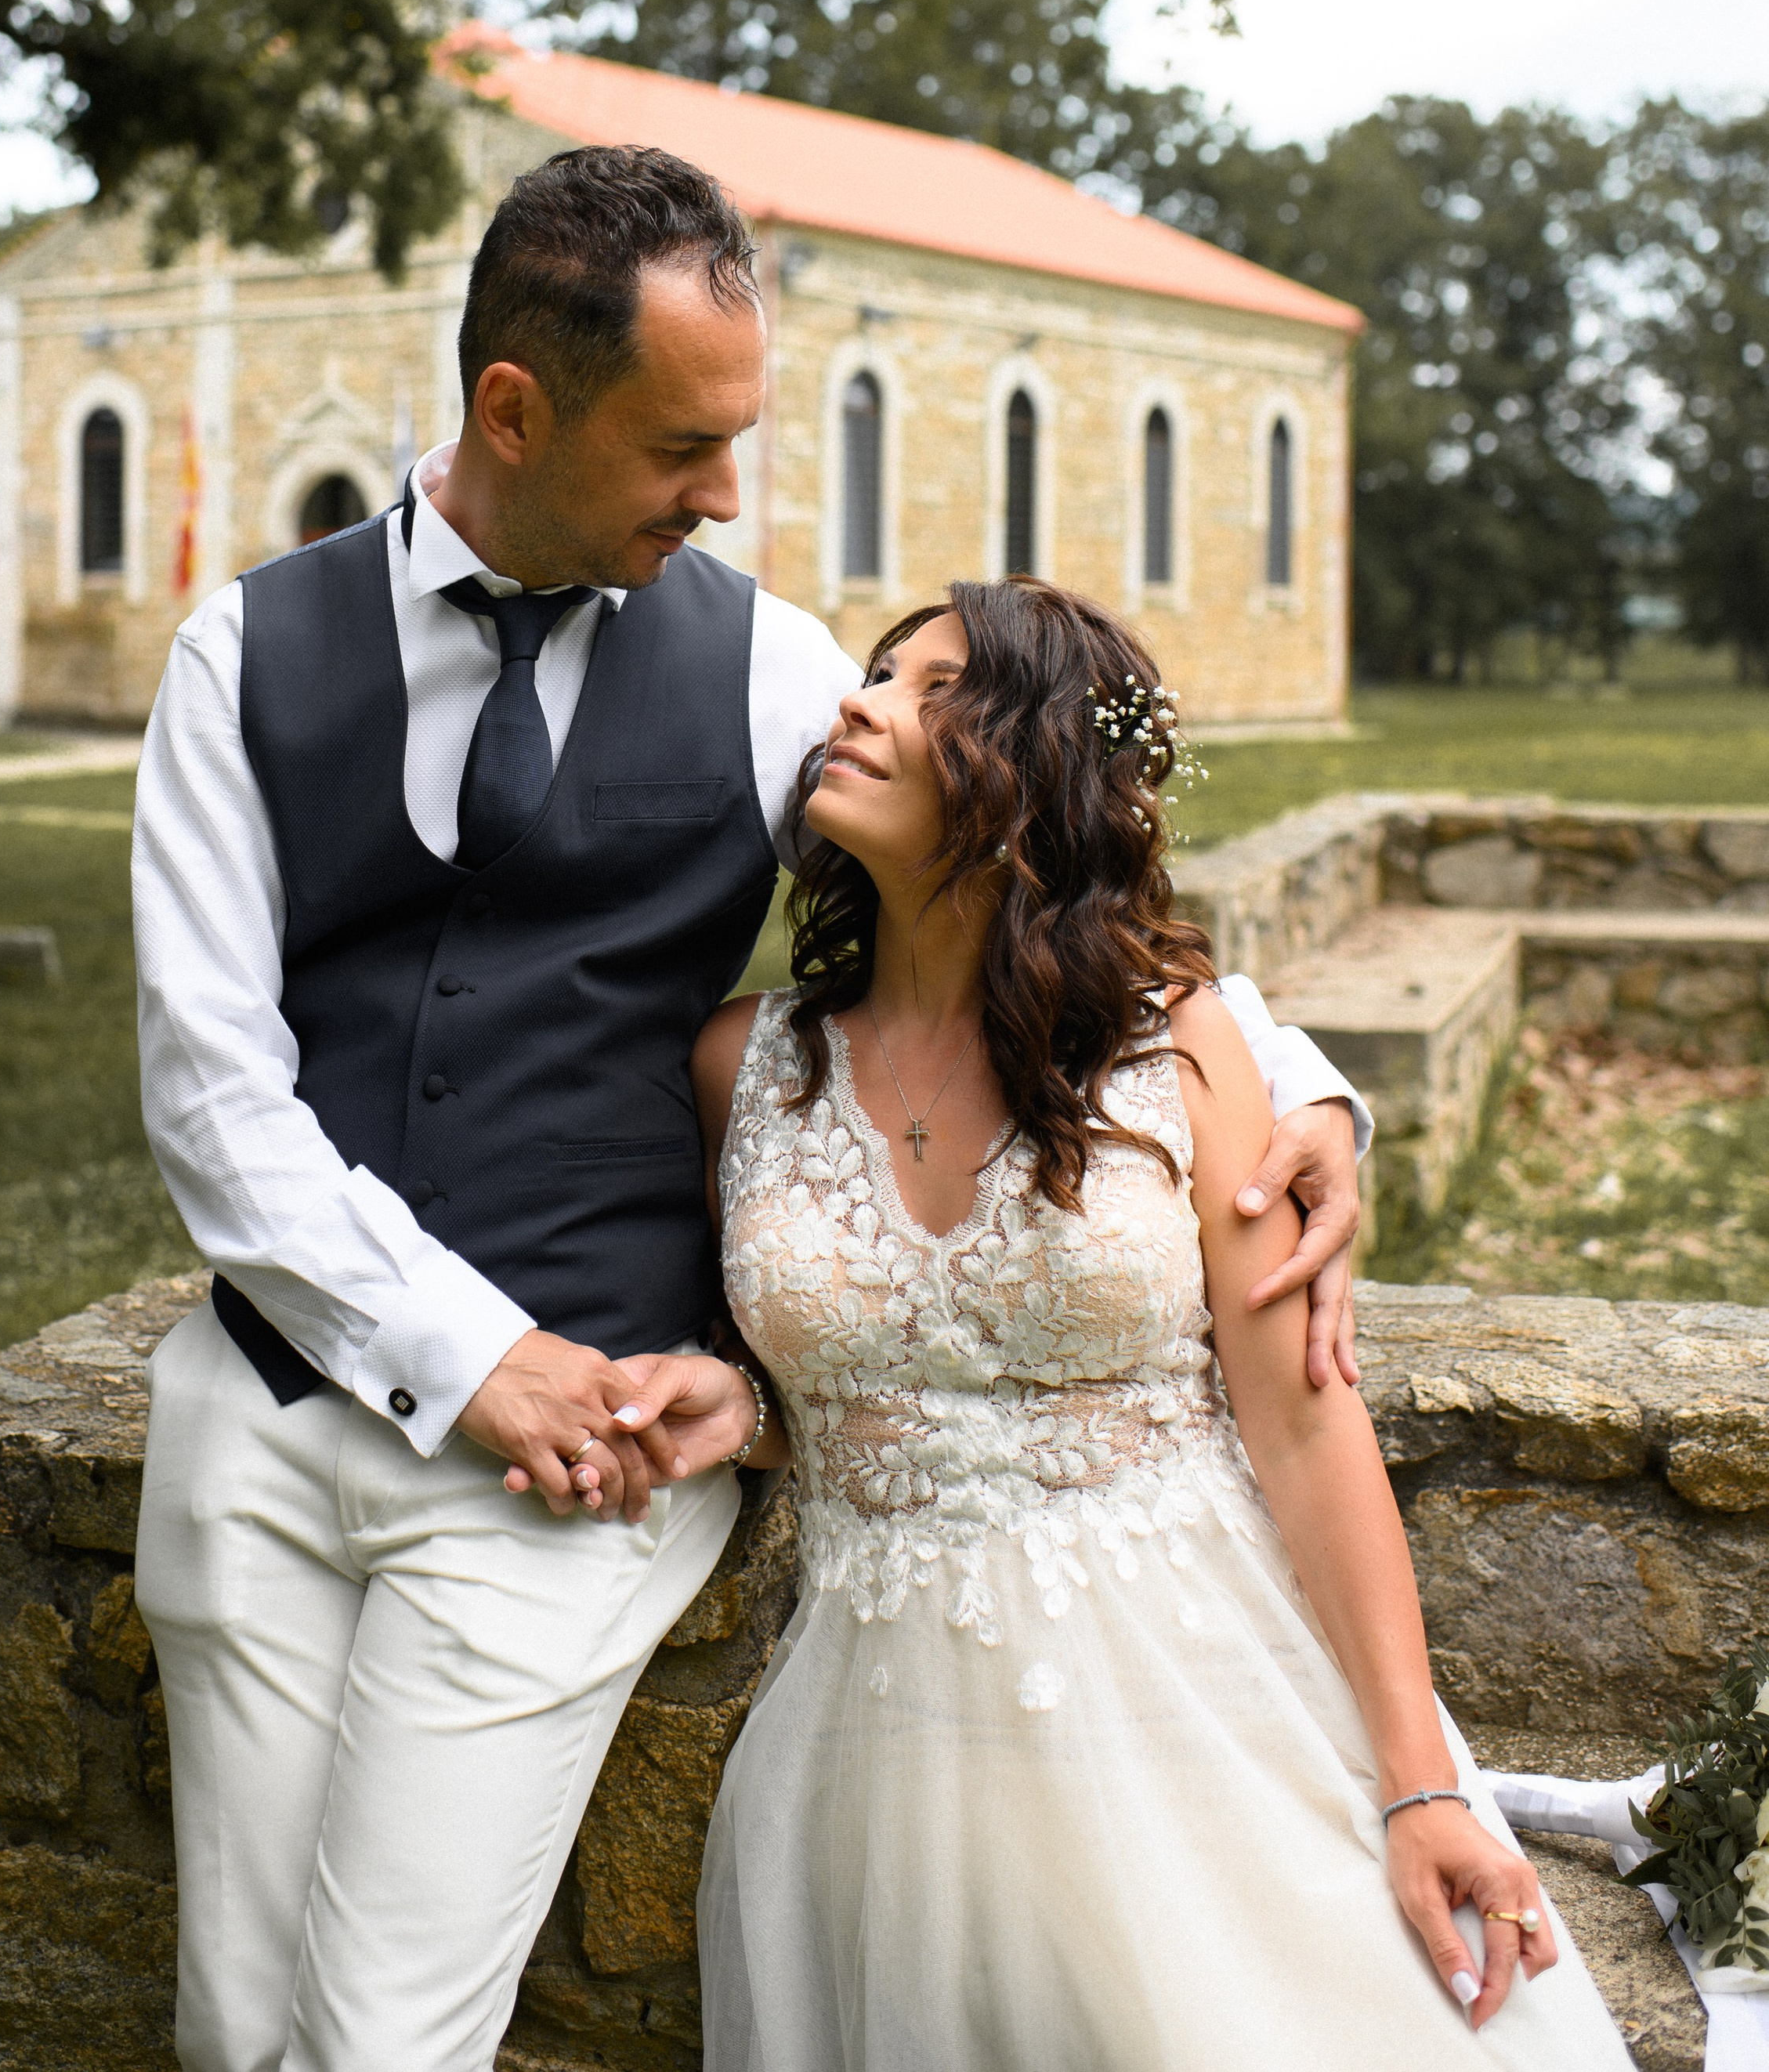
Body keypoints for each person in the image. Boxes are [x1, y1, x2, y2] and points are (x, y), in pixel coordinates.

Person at [130, 144, 1371, 2072]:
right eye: (679, 448)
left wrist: (1306, 1093)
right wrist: (463, 1356)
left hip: (592, 1451)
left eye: (743, 440)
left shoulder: (770, 668)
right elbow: (212, 1094)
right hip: (262, 1424)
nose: (725, 496)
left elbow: (1038, 874)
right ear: (513, 407)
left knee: (377, 2043)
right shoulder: (238, 657)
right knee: (230, 2026)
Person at [657, 581, 1632, 2071]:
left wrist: (1422, 1782)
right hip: (874, 1749)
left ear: (1033, 774)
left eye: (933, 692)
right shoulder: (746, 1066)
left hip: (1199, 1704)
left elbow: (1305, 1423)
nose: (858, 706)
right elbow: (840, 1358)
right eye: (874, 676)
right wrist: (740, 1396)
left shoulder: (1178, 1052)